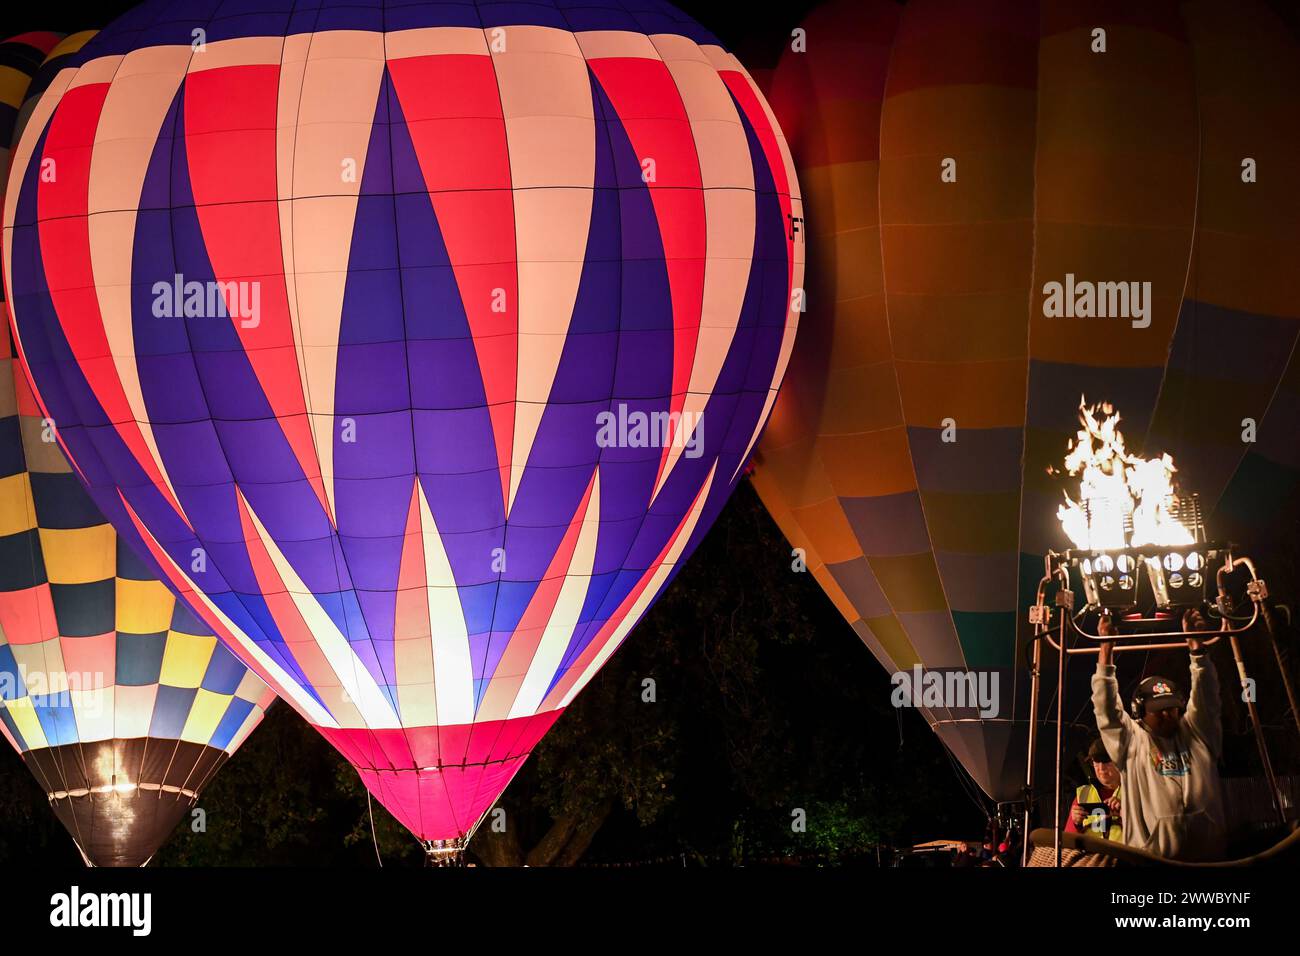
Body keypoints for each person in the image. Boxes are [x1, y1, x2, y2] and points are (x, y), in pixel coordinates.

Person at [1092, 606, 1226, 861]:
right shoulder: (1131, 742)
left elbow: (1207, 693)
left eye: (1172, 708)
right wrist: (1106, 649)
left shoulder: (1198, 733)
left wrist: (1196, 647)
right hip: (1149, 864)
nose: (1167, 715)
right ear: (1140, 713)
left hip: (1209, 863)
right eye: (1158, 710)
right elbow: (1106, 709)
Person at [1066, 737, 1122, 840]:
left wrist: (1126, 814)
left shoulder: (1135, 792)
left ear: (1118, 761)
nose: (1101, 768)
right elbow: (1068, 840)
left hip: (1123, 855)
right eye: (1095, 761)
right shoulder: (1082, 794)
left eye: (1106, 760)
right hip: (1091, 856)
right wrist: (1076, 824)